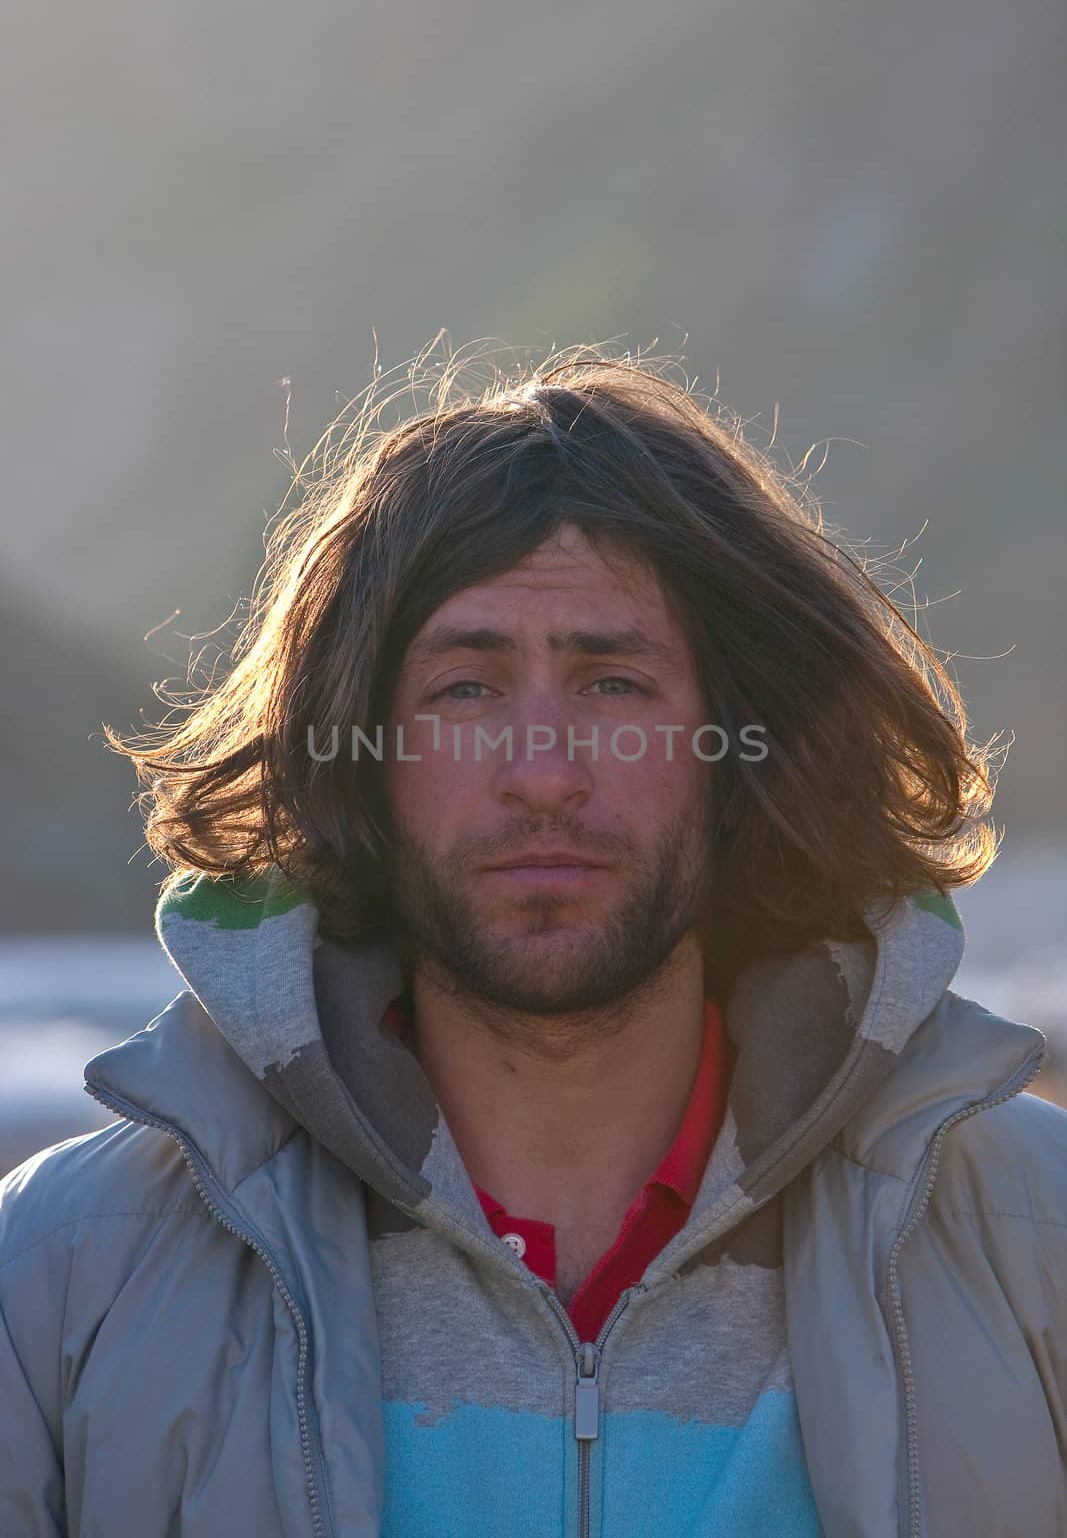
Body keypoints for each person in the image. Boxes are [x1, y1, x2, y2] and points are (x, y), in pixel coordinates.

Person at [2, 344, 1065, 1537]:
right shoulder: (60, 1275)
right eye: (465, 689)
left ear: (740, 752)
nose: (544, 773)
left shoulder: (1035, 1242)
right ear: (362, 755)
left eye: (614, 685)